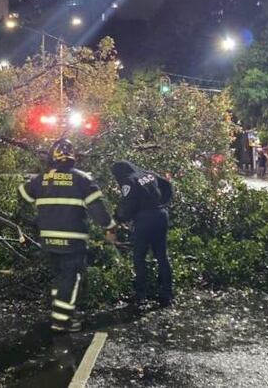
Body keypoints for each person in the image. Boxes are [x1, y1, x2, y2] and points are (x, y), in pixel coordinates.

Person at [19, 138, 116, 333]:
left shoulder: (42, 178)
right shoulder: (82, 179)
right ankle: (62, 321)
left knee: (60, 278)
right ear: (72, 156)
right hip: (72, 241)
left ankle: (61, 312)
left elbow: (24, 194)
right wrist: (110, 227)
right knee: (71, 280)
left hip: (48, 241)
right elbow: (98, 210)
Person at [110, 161, 173, 308]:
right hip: (161, 215)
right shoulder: (148, 173)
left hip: (144, 219)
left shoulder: (128, 181)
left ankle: (141, 296)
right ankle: (166, 294)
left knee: (139, 256)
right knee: (162, 255)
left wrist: (118, 218)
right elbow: (167, 186)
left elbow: (128, 204)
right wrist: (162, 203)